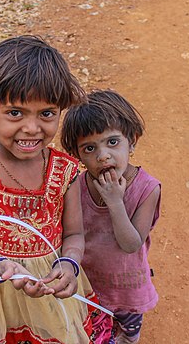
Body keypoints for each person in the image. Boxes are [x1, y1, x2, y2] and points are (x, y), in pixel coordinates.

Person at [0, 35, 98, 343]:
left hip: (49, 283)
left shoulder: (66, 172)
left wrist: (69, 263)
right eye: (15, 113)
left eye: (47, 113)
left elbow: (74, 234)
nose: (32, 128)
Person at [61, 89, 162, 344]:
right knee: (91, 333)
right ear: (77, 154)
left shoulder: (147, 189)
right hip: (88, 285)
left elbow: (131, 244)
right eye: (89, 148)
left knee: (128, 335)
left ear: (132, 140)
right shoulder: (76, 186)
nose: (103, 155)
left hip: (127, 287)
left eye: (113, 142)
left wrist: (115, 201)